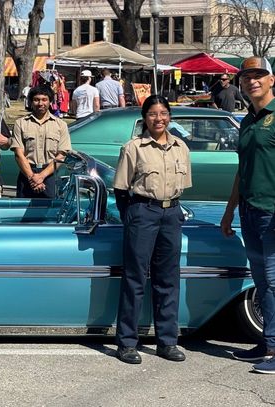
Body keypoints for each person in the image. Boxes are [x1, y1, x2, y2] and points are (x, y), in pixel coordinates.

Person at [113, 95, 192, 364]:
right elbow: (121, 190)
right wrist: (134, 217)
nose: (159, 119)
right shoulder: (134, 148)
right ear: (144, 119)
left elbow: (183, 185)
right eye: (153, 114)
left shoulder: (181, 147)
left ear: (169, 116)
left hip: (171, 213)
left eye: (163, 113)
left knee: (168, 278)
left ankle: (167, 342)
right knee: (135, 279)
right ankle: (126, 343)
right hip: (142, 212)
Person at [220, 57, 275, 374]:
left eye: (258, 75)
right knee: (262, 282)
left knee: (273, 280)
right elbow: (243, 170)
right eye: (246, 77)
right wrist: (229, 211)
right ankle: (268, 343)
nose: (252, 81)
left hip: (272, 212)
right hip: (250, 212)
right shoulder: (246, 120)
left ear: (271, 80)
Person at [11, 86, 71, 198]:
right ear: (31, 102)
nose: (40, 103)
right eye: (36, 99)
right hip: (27, 174)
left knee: (49, 213)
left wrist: (41, 176)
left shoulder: (60, 125)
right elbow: (19, 154)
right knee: (22, 213)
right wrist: (32, 177)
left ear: (50, 102)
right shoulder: (20, 123)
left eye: (44, 99)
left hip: (50, 174)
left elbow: (62, 155)